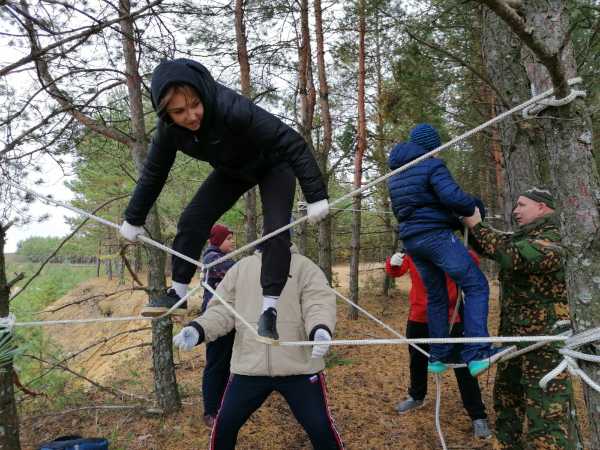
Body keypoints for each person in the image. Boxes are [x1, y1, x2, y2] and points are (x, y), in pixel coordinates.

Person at [118, 58, 329, 340]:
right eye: (179, 111)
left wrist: (316, 195)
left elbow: (291, 141)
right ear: (166, 113)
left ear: (203, 95)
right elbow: (153, 174)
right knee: (192, 219)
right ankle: (177, 294)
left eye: (195, 105)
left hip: (273, 165)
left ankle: (269, 310)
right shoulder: (168, 132)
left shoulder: (231, 108)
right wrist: (134, 217)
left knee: (276, 231)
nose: (191, 116)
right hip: (233, 170)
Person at [173, 242, 344, 450]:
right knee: (224, 427)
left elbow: (318, 303)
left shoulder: (304, 267)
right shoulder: (241, 269)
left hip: (299, 367)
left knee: (321, 429)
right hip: (249, 367)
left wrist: (320, 329)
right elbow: (223, 310)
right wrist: (198, 329)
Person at [386, 123, 511, 376]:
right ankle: (478, 353)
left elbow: (419, 210)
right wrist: (474, 205)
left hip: (413, 242)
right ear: (433, 147)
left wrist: (450, 219)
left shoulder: (397, 176)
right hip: (436, 238)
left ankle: (438, 355)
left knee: (437, 296)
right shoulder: (432, 165)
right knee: (476, 285)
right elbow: (453, 198)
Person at [463, 187, 581, 449]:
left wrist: (477, 225)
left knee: (546, 420)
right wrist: (465, 223)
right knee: (506, 406)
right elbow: (497, 245)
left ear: (542, 207)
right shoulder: (522, 237)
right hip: (514, 343)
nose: (515, 211)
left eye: (521, 205)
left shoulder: (554, 239)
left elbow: (512, 253)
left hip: (544, 348)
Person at [385, 250, 492, 439]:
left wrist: (460, 247)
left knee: (463, 367)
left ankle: (478, 416)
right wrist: (392, 263)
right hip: (419, 317)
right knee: (417, 360)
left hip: (451, 319)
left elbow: (474, 261)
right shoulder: (415, 250)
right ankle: (417, 397)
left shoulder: (448, 247)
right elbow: (396, 272)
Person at [200, 224, 236, 428]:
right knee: (215, 364)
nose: (232, 242)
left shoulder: (225, 258)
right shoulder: (212, 258)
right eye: (228, 239)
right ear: (217, 240)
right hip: (215, 321)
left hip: (230, 318)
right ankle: (210, 411)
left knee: (228, 364)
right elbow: (236, 274)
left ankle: (223, 406)